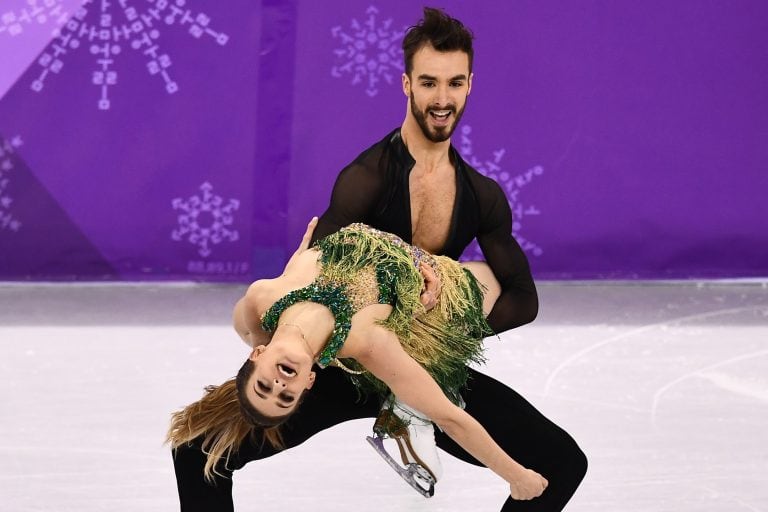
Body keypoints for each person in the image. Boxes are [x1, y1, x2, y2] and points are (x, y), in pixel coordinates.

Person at [171, 7, 587, 511]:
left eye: (454, 83)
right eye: (428, 82)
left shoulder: (482, 197)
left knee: (562, 464)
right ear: (407, 84)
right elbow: (314, 269)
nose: (441, 98)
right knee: (198, 451)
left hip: (416, 367)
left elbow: (524, 302)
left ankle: (408, 413)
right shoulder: (367, 177)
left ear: (470, 85)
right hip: (341, 362)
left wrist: (434, 332)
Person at [169, 221, 549, 502]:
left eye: (265, 385)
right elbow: (451, 416)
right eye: (285, 397)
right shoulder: (366, 340)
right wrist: (517, 477)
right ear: (309, 383)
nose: (281, 385)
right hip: (439, 302)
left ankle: (404, 411)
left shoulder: (260, 300)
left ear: (258, 353)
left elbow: (248, 329)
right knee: (515, 296)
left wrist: (293, 268)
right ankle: (407, 410)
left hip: (400, 248)